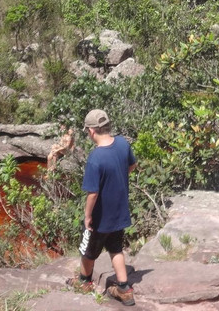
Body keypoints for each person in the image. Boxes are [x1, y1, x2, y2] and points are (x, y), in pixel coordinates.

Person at [67, 109, 137, 306]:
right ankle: (124, 288)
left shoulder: (96, 158)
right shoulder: (123, 144)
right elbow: (132, 166)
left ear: (91, 131)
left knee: (88, 250)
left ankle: (84, 281)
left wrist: (87, 216)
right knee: (115, 248)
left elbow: (93, 194)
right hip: (119, 211)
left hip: (100, 217)